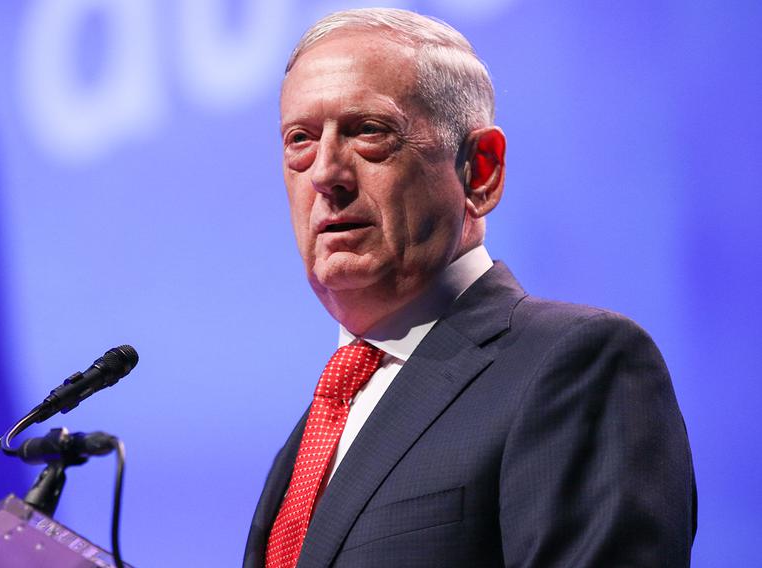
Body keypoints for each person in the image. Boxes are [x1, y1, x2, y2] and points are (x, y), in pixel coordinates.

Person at [244, 8, 696, 568]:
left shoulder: (576, 364)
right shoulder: (315, 432)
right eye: (300, 139)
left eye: (368, 131)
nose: (324, 174)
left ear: (480, 171)